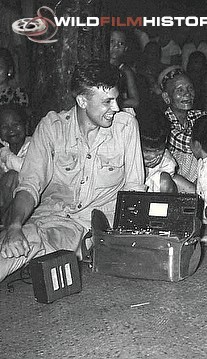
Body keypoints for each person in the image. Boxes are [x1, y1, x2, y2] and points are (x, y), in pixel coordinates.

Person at [0, 60, 146, 282]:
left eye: (116, 99)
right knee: (16, 241)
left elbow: (134, 190)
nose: (116, 108)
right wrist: (14, 226)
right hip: (48, 218)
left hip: (86, 228)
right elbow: (29, 185)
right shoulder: (52, 127)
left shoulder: (125, 127)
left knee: (34, 240)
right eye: (107, 102)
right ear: (82, 100)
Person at [159, 66, 206, 182]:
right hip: (173, 181)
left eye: (190, 88)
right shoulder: (162, 122)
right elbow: (190, 145)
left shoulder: (200, 115)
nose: (187, 94)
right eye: (180, 90)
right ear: (166, 98)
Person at [0, 104, 30, 223]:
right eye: (4, 127)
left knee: (12, 176)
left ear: (25, 126)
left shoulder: (34, 145)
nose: (11, 130)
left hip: (22, 205)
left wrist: (6, 155)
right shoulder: (3, 147)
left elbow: (26, 169)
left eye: (16, 125)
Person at [138, 103, 178, 193]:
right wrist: (142, 167)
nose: (153, 156)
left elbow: (168, 185)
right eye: (147, 151)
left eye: (158, 151)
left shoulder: (167, 161)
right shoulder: (128, 154)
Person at [109, 30, 140, 112]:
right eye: (112, 41)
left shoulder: (125, 70)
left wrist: (112, 103)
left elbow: (135, 101)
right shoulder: (98, 66)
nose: (116, 46)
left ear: (126, 48)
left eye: (121, 43)